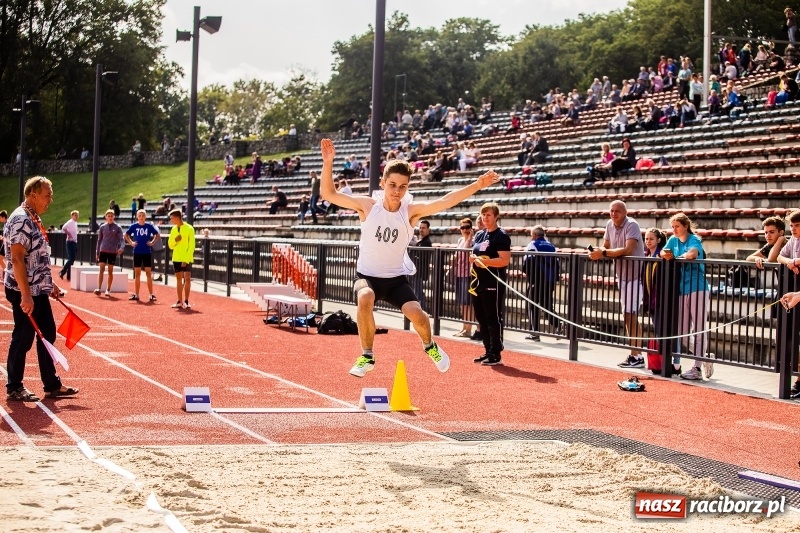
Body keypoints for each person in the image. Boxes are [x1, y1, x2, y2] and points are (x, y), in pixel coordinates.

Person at [318, 138, 500, 377]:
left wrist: (477, 184)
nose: (396, 191)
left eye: (402, 186)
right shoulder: (368, 206)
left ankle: (430, 346)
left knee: (418, 315)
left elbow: (445, 201)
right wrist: (328, 163)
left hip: (395, 279)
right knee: (365, 296)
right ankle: (367, 355)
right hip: (368, 276)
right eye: (392, 185)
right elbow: (328, 193)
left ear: (407, 188)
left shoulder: (410, 212)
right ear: (383, 183)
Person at [4, 176, 78, 401]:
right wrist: (26, 295)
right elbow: (17, 259)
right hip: (23, 290)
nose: (51, 200)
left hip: (38, 289)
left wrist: (50, 283)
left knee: (48, 333)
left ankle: (51, 385)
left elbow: (35, 257)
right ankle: (14, 386)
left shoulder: (33, 217)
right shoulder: (21, 220)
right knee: (23, 337)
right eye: (47, 195)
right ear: (32, 194)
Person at [588, 200, 646, 368]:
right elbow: (605, 245)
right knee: (628, 315)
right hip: (623, 276)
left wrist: (603, 252)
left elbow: (628, 249)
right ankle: (636, 354)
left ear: (625, 212)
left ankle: (637, 355)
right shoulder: (609, 224)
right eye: (611, 211)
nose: (614, 214)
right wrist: (597, 251)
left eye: (617, 211)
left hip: (636, 276)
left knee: (630, 314)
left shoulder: (632, 224)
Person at [661, 212, 711, 381]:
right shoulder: (673, 240)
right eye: (672, 227)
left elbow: (693, 253)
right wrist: (666, 255)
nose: (674, 229)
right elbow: (663, 252)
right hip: (682, 289)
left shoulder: (694, 238)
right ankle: (704, 356)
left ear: (685, 226)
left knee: (698, 328)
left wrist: (678, 258)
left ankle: (697, 366)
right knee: (682, 333)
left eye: (677, 226)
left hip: (697, 287)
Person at [470, 202, 511, 366]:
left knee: (493, 317)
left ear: (496, 217)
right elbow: (473, 254)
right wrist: (474, 259)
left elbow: (504, 260)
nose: (485, 218)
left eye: (488, 215)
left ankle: (496, 353)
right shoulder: (480, 235)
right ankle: (487, 350)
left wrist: (486, 263)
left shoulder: (501, 236)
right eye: (483, 215)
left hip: (493, 282)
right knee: (481, 317)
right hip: (477, 281)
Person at [641, 228, 681, 374]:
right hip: (651, 299)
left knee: (667, 332)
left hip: (662, 300)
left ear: (658, 240)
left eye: (651, 239)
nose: (648, 241)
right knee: (659, 332)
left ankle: (675, 363)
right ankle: (661, 362)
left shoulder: (662, 255)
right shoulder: (646, 255)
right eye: (646, 238)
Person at [522, 225, 563, 341]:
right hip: (550, 280)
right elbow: (557, 263)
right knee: (546, 305)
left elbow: (527, 262)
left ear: (534, 235)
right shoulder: (552, 246)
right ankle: (558, 323)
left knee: (532, 305)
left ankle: (534, 333)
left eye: (531, 235)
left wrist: (529, 275)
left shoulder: (533, 244)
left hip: (537, 279)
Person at [124, 209, 160, 302]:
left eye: (143, 216)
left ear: (145, 217)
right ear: (137, 217)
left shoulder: (149, 226)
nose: (141, 217)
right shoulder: (134, 226)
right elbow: (126, 235)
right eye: (139, 216)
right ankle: (136, 294)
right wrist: (131, 242)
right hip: (137, 252)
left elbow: (157, 235)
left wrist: (152, 242)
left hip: (147, 252)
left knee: (148, 273)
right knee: (137, 274)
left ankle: (151, 294)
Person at [452, 218, 475, 338]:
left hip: (468, 275)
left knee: (467, 303)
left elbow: (466, 253)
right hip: (459, 274)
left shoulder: (472, 241)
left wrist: (469, 238)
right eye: (463, 227)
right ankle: (464, 327)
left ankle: (468, 329)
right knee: (462, 303)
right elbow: (457, 255)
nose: (465, 230)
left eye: (467, 227)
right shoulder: (460, 240)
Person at [168, 209, 195, 309]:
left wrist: (186, 259)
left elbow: (192, 245)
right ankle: (179, 301)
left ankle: (186, 301)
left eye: (172, 218)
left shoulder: (189, 228)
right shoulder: (173, 229)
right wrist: (175, 240)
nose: (171, 220)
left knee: (187, 278)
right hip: (176, 257)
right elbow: (170, 245)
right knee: (179, 279)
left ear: (177, 218)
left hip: (186, 258)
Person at [94, 209, 125, 297]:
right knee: (101, 269)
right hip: (103, 250)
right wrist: (97, 252)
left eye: (112, 216)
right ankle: (99, 288)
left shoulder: (118, 227)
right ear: (106, 217)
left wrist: (121, 248)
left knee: (110, 271)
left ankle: (108, 289)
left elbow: (121, 239)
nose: (110, 217)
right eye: (109, 216)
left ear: (114, 217)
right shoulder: (102, 227)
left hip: (112, 251)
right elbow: (99, 240)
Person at [409, 219, 432, 311]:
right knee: (416, 292)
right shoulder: (421, 241)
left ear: (428, 230)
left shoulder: (426, 242)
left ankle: (420, 311)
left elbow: (422, 257)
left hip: (419, 272)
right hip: (416, 272)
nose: (421, 230)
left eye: (424, 228)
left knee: (418, 293)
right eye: (420, 227)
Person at [59, 210, 79, 281]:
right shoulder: (70, 222)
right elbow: (64, 228)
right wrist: (69, 234)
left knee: (71, 259)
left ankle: (69, 275)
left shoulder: (75, 223)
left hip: (74, 242)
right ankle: (62, 271)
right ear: (72, 216)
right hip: (70, 242)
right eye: (75, 215)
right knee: (71, 259)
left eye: (77, 215)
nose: (76, 216)